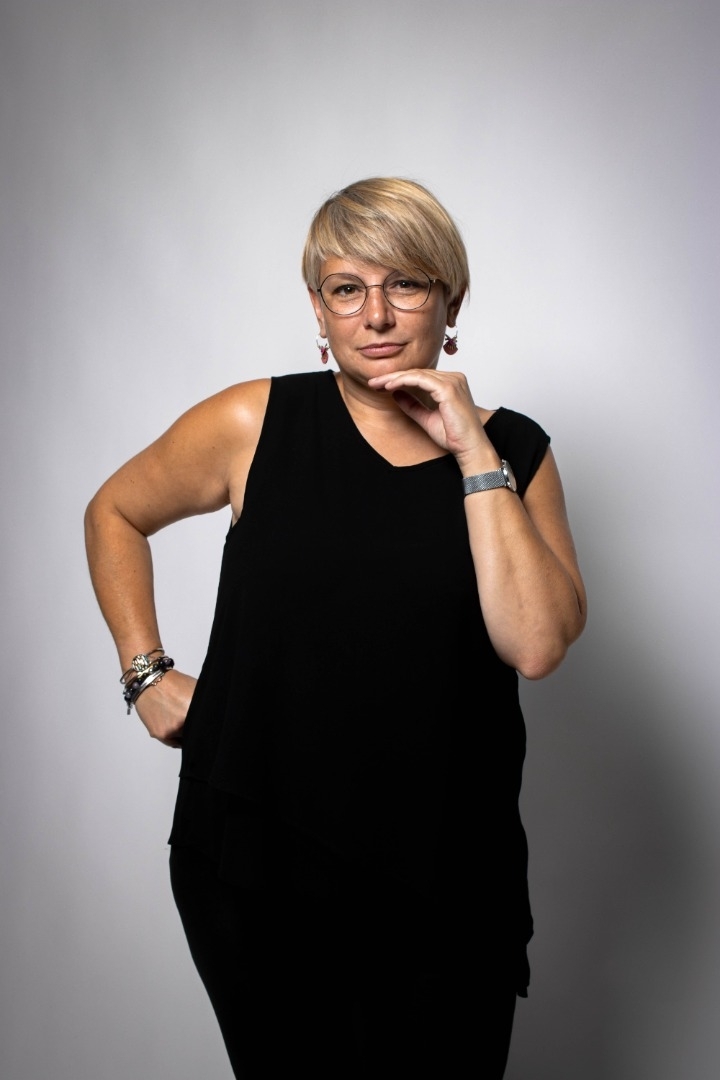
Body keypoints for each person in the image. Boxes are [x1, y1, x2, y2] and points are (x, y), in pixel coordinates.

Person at [85, 177, 586, 1079]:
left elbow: (537, 644)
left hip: (446, 869)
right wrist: (144, 672)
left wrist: (473, 451)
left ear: (451, 300)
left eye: (407, 284)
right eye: (347, 289)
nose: (376, 315)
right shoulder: (254, 421)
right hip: (259, 857)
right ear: (318, 310)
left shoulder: (515, 449)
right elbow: (114, 511)